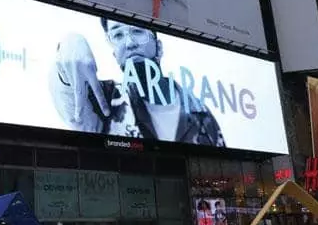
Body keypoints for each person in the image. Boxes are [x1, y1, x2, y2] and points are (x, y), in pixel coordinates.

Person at [49, 18, 225, 146]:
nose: (129, 43)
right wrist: (68, 48)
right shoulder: (106, 99)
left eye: (138, 31)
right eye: (117, 34)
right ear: (115, 55)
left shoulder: (201, 113)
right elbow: (71, 106)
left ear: (159, 47)